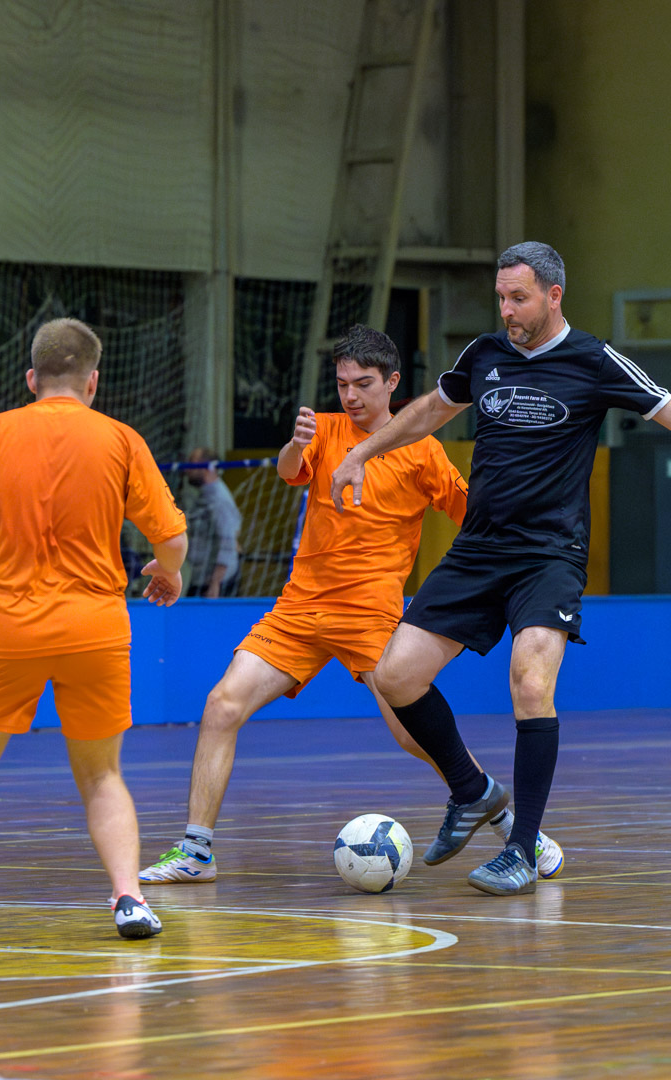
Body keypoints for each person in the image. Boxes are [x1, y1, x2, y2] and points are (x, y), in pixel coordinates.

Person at [330, 242, 671, 896]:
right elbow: (430, 410)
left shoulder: (593, 360)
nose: (507, 311)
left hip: (549, 554)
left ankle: (519, 850)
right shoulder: (484, 354)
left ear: (553, 295)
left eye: (519, 298)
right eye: (500, 298)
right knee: (396, 676)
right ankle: (472, 790)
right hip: (479, 548)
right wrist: (362, 452)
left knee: (530, 681)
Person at [141, 326, 562, 885]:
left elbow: (475, 517)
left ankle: (517, 830)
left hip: (372, 615)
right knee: (222, 704)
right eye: (342, 384)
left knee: (414, 735)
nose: (351, 395)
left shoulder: (423, 449)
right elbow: (289, 472)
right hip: (299, 610)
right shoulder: (324, 429)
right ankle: (197, 851)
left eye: (363, 383)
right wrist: (295, 444)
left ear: (392, 383)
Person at [0, 318, 187, 940]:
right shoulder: (120, 439)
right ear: (93, 381)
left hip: (8, 626)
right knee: (103, 776)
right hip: (95, 627)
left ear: (31, 377)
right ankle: (129, 898)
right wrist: (168, 571)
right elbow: (172, 537)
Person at [183, 447, 243, 597]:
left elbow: (228, 543)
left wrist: (215, 583)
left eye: (192, 463)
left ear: (207, 467)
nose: (187, 469)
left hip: (216, 583)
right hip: (201, 578)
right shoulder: (205, 496)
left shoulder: (219, 499)